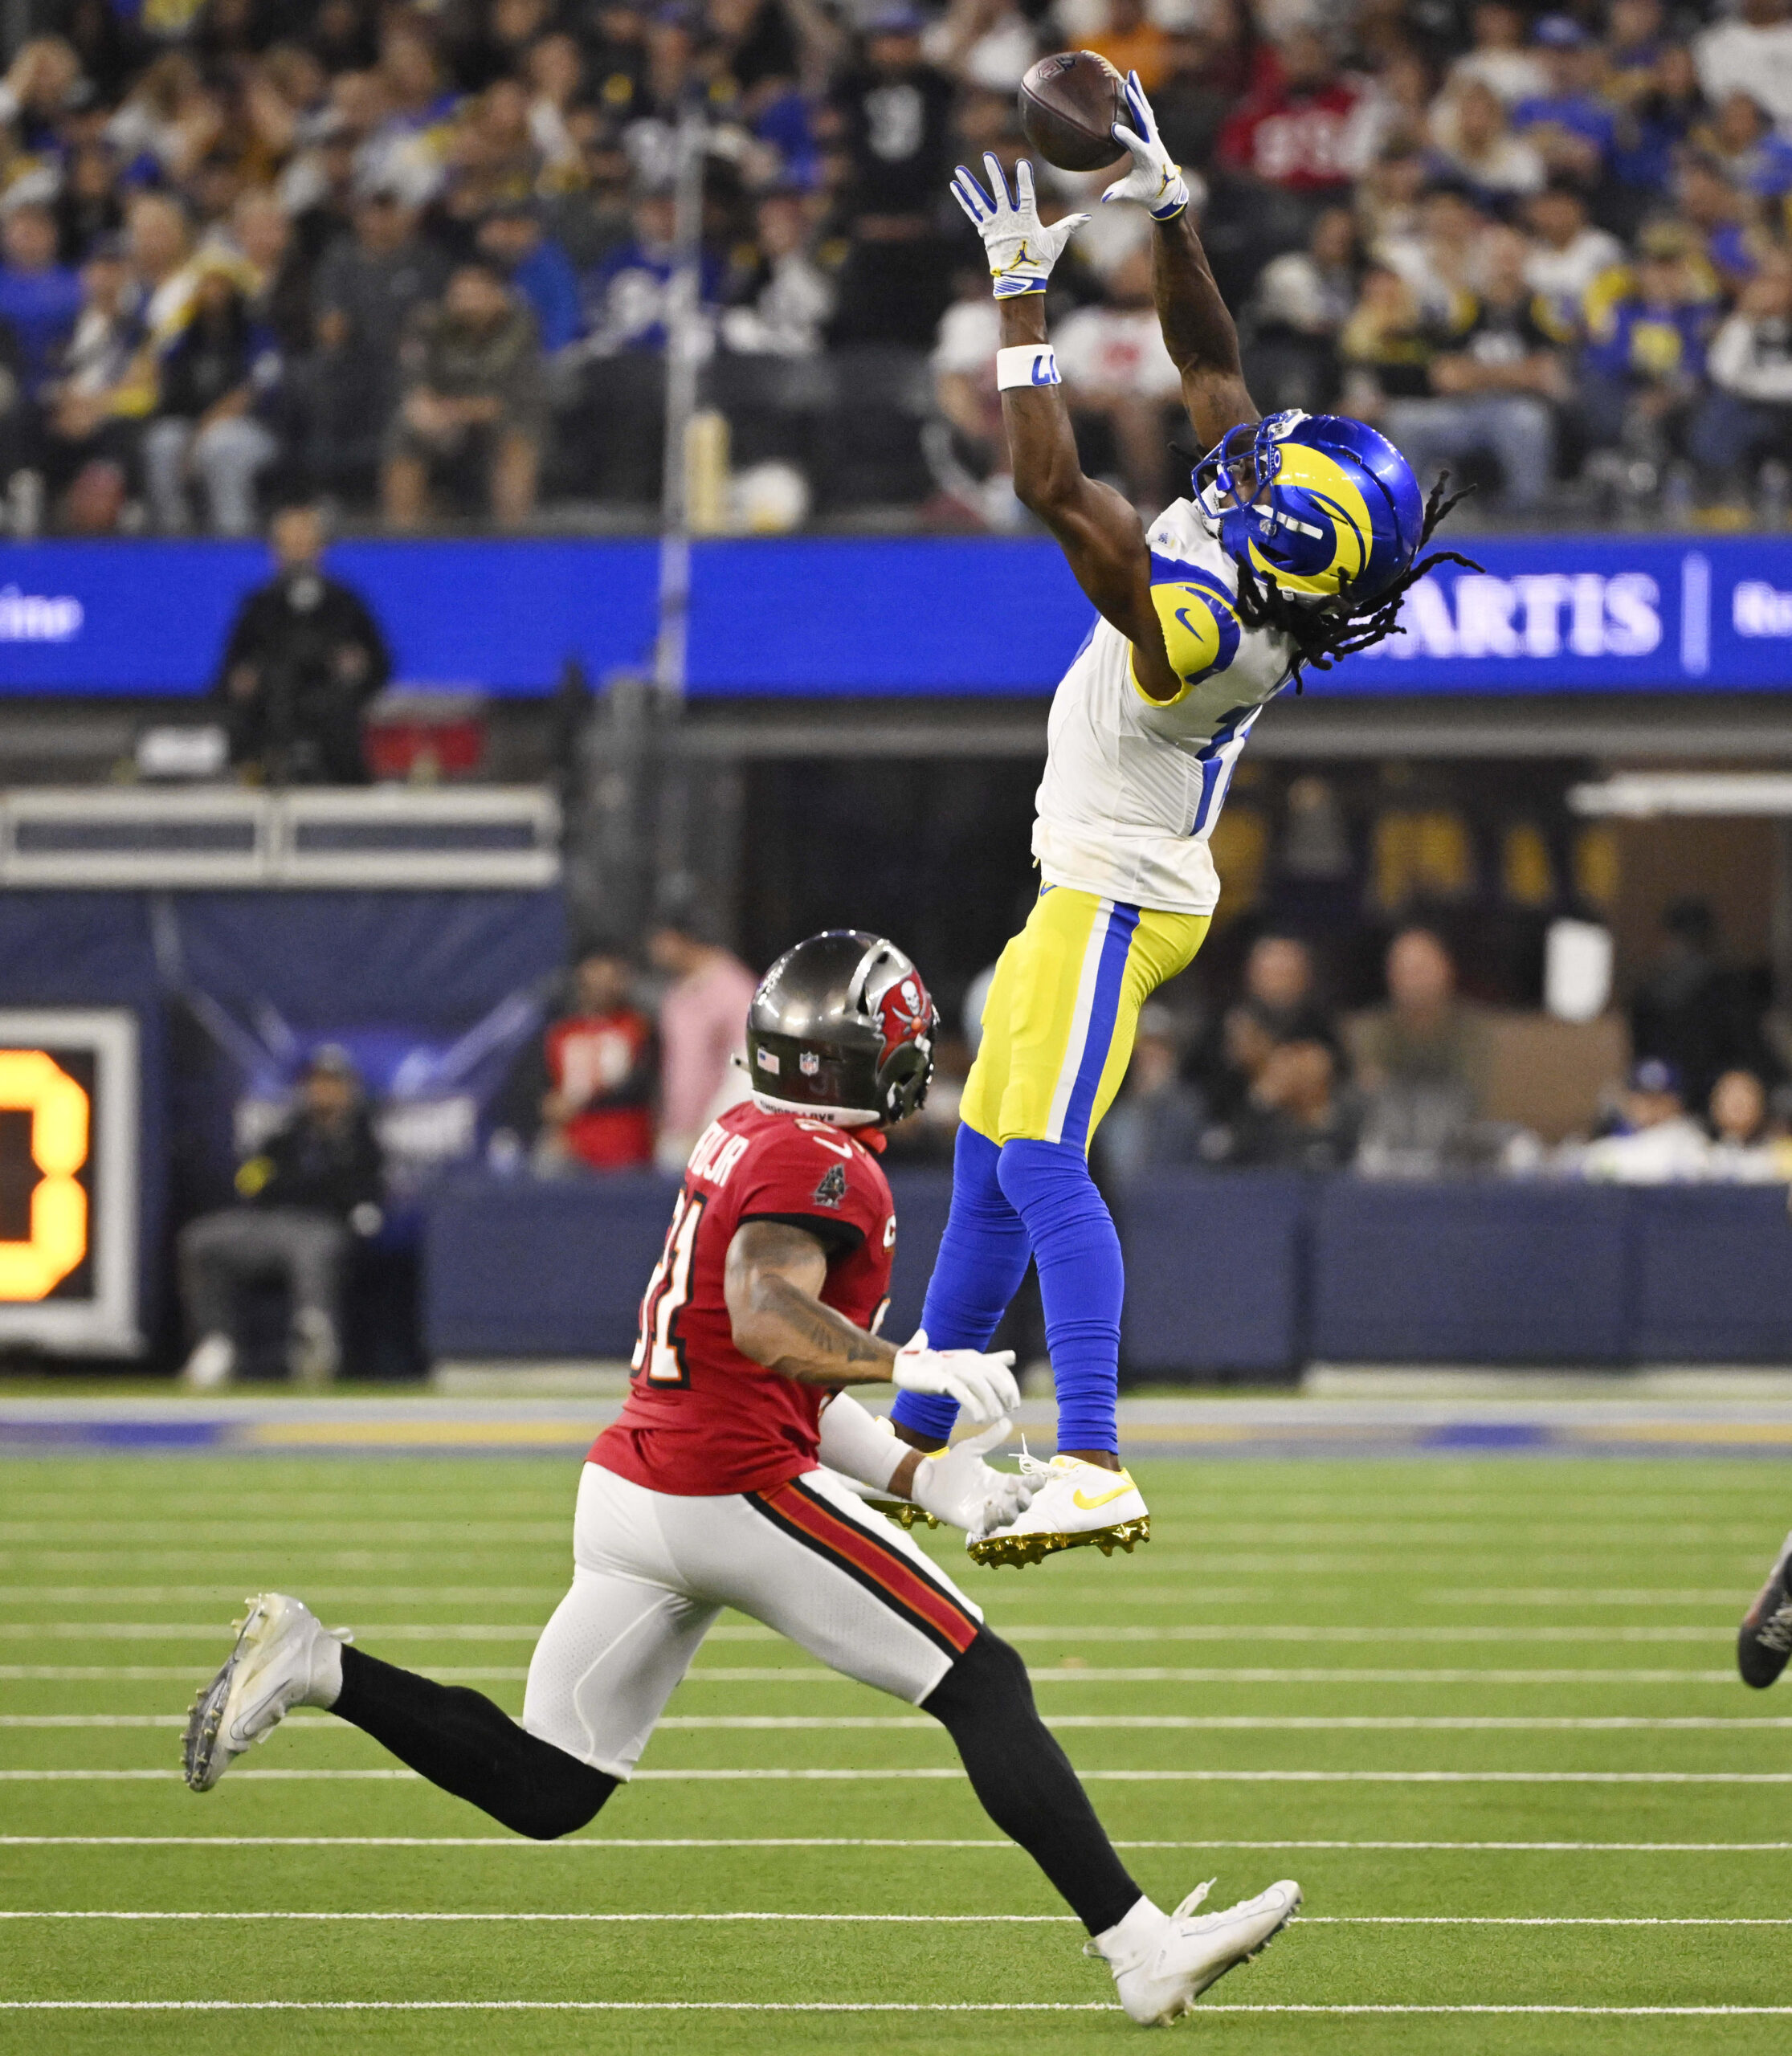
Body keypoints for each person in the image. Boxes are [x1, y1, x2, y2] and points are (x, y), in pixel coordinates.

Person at [178, 931, 1301, 2025]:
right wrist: (907, 1362)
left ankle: (322, 1665)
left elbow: (779, 1376)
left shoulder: (749, 1131)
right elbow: (768, 1322)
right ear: (879, 1058)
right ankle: (1139, 1950)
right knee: (981, 1681)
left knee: (551, 1789)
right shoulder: (824, 1166)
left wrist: (928, 1477)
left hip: (637, 1486)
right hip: (729, 1493)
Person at [892, 73, 1468, 1567]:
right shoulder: (1276, 552)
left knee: (1043, 1160)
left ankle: (1093, 1457)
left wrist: (1021, 299)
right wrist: (1170, 206)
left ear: (1283, 540)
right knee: (989, 1143)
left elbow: (1047, 480)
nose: (1261, 448)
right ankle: (915, 1438)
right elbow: (1209, 357)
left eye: (1283, 470)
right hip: (1085, 869)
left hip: (1123, 889)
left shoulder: (1203, 630)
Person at [178, 1045, 386, 1390]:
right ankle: (217, 1343)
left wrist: (305, 1187)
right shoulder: (286, 1137)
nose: (324, 1092)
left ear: (349, 1089)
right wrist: (289, 1184)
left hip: (322, 1228)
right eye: (318, 1083)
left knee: (311, 1249)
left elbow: (359, 1195)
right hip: (269, 1224)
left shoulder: (362, 1142)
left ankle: (314, 1342)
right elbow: (251, 1183)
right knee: (201, 1240)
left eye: (333, 1084)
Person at [213, 501, 391, 783]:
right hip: (271, 727)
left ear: (320, 549)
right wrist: (245, 680)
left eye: (306, 543)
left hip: (336, 738)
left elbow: (380, 664)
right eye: (290, 544)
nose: (299, 553)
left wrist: (358, 673)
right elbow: (229, 673)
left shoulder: (344, 603)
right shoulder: (259, 606)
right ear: (276, 551)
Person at [382, 259, 545, 528]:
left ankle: (515, 536)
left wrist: (456, 411)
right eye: (461, 295)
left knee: (518, 441)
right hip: (441, 420)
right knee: (404, 434)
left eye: (477, 295)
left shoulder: (521, 326)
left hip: (499, 418)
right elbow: (415, 383)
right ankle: (401, 537)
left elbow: (510, 400)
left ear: (497, 297)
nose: (469, 303)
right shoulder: (427, 323)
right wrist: (426, 410)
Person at [1351, 926, 1493, 1174]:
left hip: (1457, 1158)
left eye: (1421, 970)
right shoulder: (1375, 1031)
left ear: (1446, 970)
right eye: (1404, 971)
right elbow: (1370, 1090)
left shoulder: (1472, 1030)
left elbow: (1475, 1095)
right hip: (1388, 1159)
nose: (1413, 981)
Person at [647, 907, 760, 1172]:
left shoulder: (733, 988)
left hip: (720, 1140)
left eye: (659, 940)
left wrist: (714, 1129)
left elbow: (750, 1065)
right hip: (677, 1139)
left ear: (680, 938)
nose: (653, 949)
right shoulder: (675, 995)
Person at [537, 950, 658, 1171]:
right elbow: (543, 1087)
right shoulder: (561, 1032)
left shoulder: (638, 1027)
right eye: (593, 980)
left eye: (608, 979)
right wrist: (549, 1106)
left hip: (626, 1146)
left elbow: (641, 1083)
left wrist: (582, 1101)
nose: (600, 987)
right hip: (573, 1147)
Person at [1578, 1056, 1710, 1182]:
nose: (1650, 1107)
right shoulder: (1607, 1148)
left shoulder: (1692, 1144)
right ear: (1629, 1100)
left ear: (1678, 1103)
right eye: (1643, 1098)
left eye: (1659, 1099)